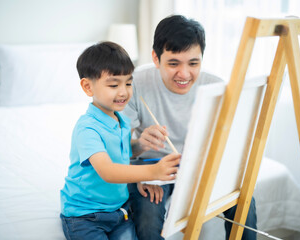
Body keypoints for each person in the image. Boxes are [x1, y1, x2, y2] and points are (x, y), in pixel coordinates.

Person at [123, 15, 257, 240]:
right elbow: (117, 148)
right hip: (152, 167)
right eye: (174, 63)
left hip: (198, 166)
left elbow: (231, 145)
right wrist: (139, 145)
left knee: (244, 199)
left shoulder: (215, 86)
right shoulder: (135, 82)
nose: (184, 74)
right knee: (147, 216)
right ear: (156, 58)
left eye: (193, 63)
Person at [60, 41, 181, 240]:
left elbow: (122, 153)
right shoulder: (87, 129)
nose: (124, 92)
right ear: (87, 86)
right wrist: (153, 172)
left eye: (128, 83)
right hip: (85, 216)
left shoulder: (121, 120)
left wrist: (141, 144)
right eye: (114, 85)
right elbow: (107, 170)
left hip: (119, 212)